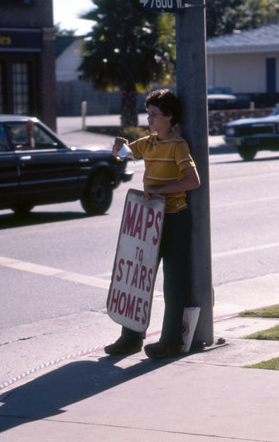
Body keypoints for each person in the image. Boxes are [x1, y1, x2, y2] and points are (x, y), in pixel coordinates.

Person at [105, 89, 201, 360]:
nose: (149, 118)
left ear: (169, 117)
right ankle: (131, 337)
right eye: (148, 113)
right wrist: (116, 149)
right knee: (138, 276)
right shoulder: (147, 143)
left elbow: (193, 181)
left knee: (173, 281)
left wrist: (162, 189)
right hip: (149, 218)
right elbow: (123, 155)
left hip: (173, 218)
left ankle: (170, 340)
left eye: (154, 114)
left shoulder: (178, 145)